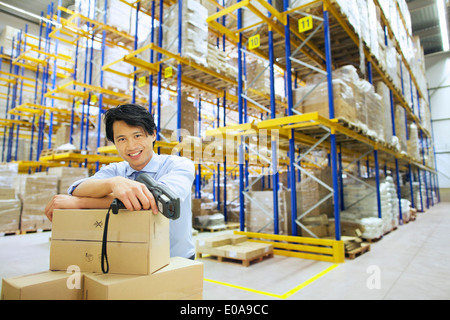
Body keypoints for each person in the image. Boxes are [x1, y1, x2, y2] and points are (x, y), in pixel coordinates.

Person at [44, 104, 196, 260]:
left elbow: (157, 201)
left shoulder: (178, 165)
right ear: (114, 143)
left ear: (153, 134)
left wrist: (79, 203)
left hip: (176, 260)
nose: (131, 146)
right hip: (131, 261)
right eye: (122, 139)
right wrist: (112, 184)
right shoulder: (116, 171)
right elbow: (78, 188)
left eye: (137, 136)